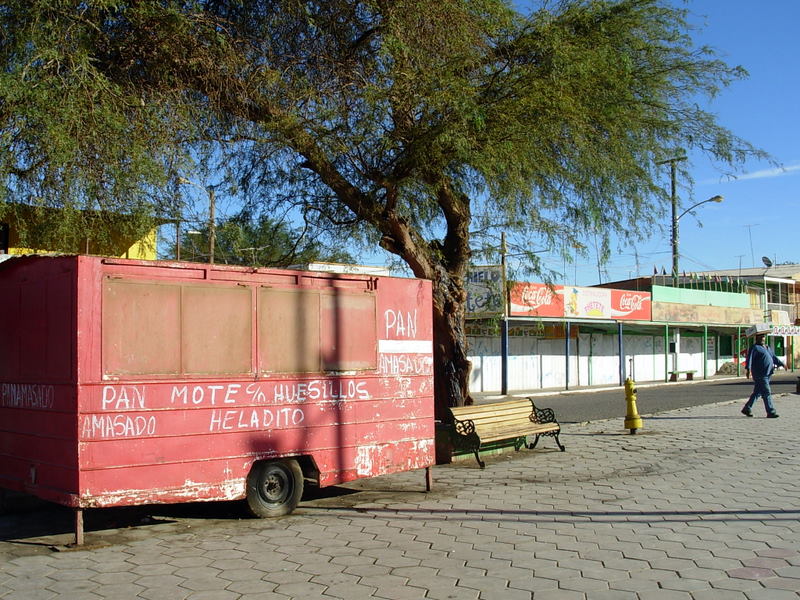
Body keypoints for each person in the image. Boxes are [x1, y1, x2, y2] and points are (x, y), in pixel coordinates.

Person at [742, 333, 784, 418]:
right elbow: (749, 359)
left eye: (763, 337)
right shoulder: (754, 348)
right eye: (760, 337)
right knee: (766, 392)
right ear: (756, 338)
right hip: (760, 374)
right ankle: (770, 411)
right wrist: (748, 370)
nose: (762, 338)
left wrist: (782, 364)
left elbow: (773, 357)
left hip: (768, 373)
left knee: (757, 392)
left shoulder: (767, 347)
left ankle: (747, 408)